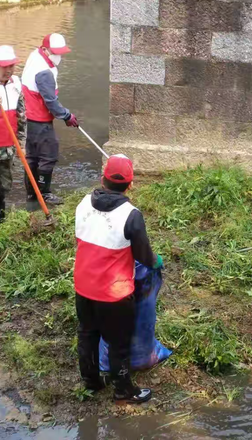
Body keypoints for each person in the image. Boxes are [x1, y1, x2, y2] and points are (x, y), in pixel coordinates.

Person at [74, 154, 163, 403]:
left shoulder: (82, 204)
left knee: (87, 334)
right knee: (119, 342)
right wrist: (156, 261)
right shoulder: (131, 215)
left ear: (103, 179)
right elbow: (144, 256)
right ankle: (123, 390)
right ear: (130, 184)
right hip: (114, 294)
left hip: (83, 286)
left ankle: (91, 382)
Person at [21, 33, 79, 207]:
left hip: (27, 117)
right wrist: (67, 116)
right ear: (45, 49)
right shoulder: (44, 72)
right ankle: (44, 193)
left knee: (32, 156)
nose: (58, 56)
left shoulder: (35, 55)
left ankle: (32, 194)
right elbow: (50, 101)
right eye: (55, 52)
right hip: (38, 119)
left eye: (60, 52)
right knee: (48, 155)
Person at [0, 45, 26, 222]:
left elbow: (22, 116)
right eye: (4, 66)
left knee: (4, 185)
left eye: (12, 66)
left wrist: (22, 144)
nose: (9, 70)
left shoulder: (16, 84)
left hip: (8, 146)